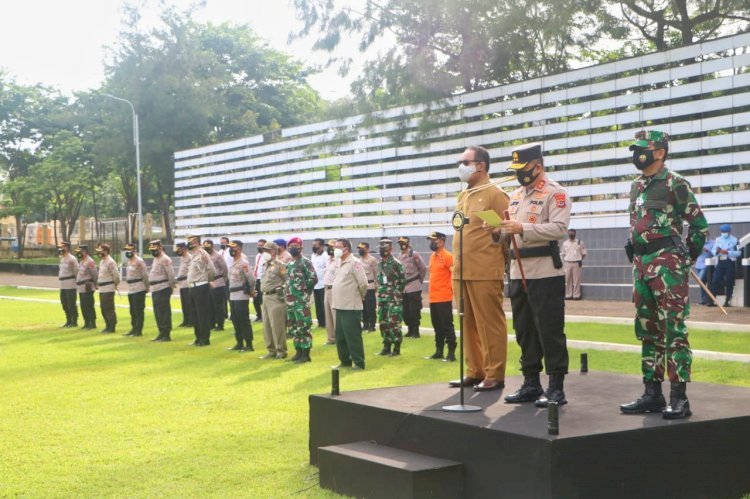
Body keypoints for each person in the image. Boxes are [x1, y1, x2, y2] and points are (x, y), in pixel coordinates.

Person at [619, 130, 708, 420]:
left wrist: (685, 260)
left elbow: (699, 226)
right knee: (647, 328)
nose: (637, 154)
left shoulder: (676, 183)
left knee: (674, 329)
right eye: (635, 149)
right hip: (641, 263)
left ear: (660, 152)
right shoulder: (636, 185)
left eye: (643, 149)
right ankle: (652, 393)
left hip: (668, 264)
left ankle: (679, 398)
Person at [498, 143, 571, 406]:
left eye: (522, 168)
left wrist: (522, 227)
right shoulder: (516, 195)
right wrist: (498, 231)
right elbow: (511, 232)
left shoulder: (555, 193)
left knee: (549, 330)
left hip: (545, 271)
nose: (519, 174)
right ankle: (531, 382)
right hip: (518, 271)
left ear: (537, 166)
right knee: (524, 329)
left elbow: (559, 228)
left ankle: (556, 386)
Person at [448, 145, 509, 392]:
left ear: (480, 165)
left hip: (484, 270)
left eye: (465, 161)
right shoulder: (464, 195)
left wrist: (499, 234)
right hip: (461, 269)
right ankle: (475, 370)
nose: (460, 166)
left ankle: (495, 373)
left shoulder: (495, 194)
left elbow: (506, 232)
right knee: (467, 323)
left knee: (489, 323)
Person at [332, 238, 369, 370]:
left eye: (337, 247)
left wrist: (359, 297)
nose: (334, 249)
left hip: (350, 306)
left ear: (346, 248)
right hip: (339, 305)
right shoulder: (339, 262)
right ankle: (345, 360)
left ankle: (359, 362)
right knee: (340, 337)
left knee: (352, 336)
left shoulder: (354, 263)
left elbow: (363, 284)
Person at [285, 237, 318, 363]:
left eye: (295, 245)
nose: (293, 248)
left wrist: (304, 290)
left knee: (303, 326)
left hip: (301, 301)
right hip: (290, 301)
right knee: (294, 327)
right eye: (291, 245)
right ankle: (298, 352)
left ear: (301, 247)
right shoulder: (289, 263)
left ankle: (306, 354)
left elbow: (313, 278)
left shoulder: (305, 262)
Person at [426, 231, 456, 361]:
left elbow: (454, 276)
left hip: (444, 297)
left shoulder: (448, 256)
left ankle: (451, 353)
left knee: (447, 326)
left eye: (434, 240)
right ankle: (439, 351)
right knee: (437, 326)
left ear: (442, 242)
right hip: (433, 297)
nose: (432, 242)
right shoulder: (433, 256)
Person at [376, 238, 406, 356]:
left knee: (393, 323)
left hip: (393, 299)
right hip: (382, 298)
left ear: (391, 249)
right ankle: (386, 346)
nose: (383, 251)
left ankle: (396, 348)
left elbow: (403, 280)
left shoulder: (396, 263)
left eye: (385, 248)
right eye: (381, 248)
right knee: (383, 323)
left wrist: (396, 294)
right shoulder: (380, 264)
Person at [259, 241, 288, 359]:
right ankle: (271, 350)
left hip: (275, 297)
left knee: (277, 325)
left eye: (267, 250)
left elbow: (288, 279)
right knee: (266, 326)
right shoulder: (265, 264)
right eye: (264, 250)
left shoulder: (279, 265)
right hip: (265, 297)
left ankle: (281, 350)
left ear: (274, 251)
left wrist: (282, 289)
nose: (264, 252)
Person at [186, 235, 216, 347]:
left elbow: (211, 269)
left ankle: (204, 339)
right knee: (195, 315)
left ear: (197, 242)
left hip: (201, 286)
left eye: (191, 241)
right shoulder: (193, 255)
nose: (189, 243)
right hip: (192, 286)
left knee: (202, 314)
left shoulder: (202, 254)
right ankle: (198, 338)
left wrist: (207, 280)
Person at [227, 240, 255, 352]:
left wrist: (251, 290)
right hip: (233, 294)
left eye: (233, 248)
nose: (231, 250)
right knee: (235, 319)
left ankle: (249, 344)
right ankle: (239, 342)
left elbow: (251, 279)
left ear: (238, 249)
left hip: (241, 294)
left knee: (243, 320)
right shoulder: (234, 262)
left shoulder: (243, 262)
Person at [396, 236, 426, 338]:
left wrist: (419, 281)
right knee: (405, 311)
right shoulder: (399, 256)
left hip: (414, 286)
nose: (401, 245)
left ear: (408, 243)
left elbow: (423, 269)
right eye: (400, 243)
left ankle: (415, 332)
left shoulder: (414, 255)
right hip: (404, 288)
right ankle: (409, 330)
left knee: (414, 310)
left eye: (403, 243)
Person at [148, 240, 175, 342]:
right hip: (155, 289)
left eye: (155, 249)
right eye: (152, 250)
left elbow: (171, 275)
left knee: (164, 312)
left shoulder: (165, 259)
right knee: (158, 312)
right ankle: (161, 332)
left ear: (160, 247)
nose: (153, 252)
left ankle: (166, 334)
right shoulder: (156, 259)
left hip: (163, 288)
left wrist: (171, 287)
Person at [710, 224, 741, 307]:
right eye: (722, 232)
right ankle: (713, 300)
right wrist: (718, 252)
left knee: (729, 281)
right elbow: (713, 250)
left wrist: (728, 252)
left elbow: (739, 252)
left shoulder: (735, 240)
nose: (724, 233)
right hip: (720, 262)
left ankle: (727, 301)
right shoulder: (718, 239)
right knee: (715, 280)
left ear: (729, 231)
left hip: (729, 262)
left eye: (725, 232)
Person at [123, 242, 149, 337]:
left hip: (139, 287)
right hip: (131, 288)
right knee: (132, 311)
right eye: (126, 250)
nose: (128, 252)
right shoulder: (129, 261)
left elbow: (145, 275)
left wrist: (147, 287)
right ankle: (133, 328)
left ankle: (138, 330)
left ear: (134, 250)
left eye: (130, 250)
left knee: (138, 310)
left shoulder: (139, 261)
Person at [203, 239, 229, 331]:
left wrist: (223, 279)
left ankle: (220, 324)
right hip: (208, 283)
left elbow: (225, 269)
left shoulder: (218, 256)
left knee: (218, 306)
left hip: (218, 282)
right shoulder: (204, 256)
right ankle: (212, 324)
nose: (207, 250)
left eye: (208, 248)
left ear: (212, 246)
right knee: (210, 305)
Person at [95, 243, 120, 333]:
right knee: (103, 308)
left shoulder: (110, 262)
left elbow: (116, 276)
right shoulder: (102, 261)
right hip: (102, 288)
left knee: (108, 308)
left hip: (108, 287)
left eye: (101, 251)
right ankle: (107, 325)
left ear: (106, 251)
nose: (99, 253)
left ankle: (112, 326)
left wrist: (114, 284)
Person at [74, 245, 98, 330]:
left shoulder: (90, 261)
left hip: (87, 286)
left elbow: (94, 274)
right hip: (81, 287)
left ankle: (92, 323)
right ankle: (87, 322)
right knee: (83, 306)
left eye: (80, 252)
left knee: (89, 305)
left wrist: (96, 284)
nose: (78, 254)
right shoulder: (81, 262)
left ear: (85, 252)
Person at [357, 242, 378, 332]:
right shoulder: (358, 260)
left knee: (370, 307)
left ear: (367, 249)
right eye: (359, 248)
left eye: (363, 248)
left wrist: (377, 284)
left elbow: (376, 273)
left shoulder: (372, 260)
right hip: (361, 286)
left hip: (370, 286)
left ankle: (372, 325)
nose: (360, 250)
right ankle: (365, 324)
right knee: (363, 307)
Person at [57, 241, 79, 328]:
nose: (60, 249)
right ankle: (68, 320)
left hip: (70, 284)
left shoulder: (72, 259)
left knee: (71, 303)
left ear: (66, 247)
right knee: (64, 303)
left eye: (62, 247)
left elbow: (76, 271)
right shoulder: (62, 259)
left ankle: (74, 321)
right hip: (63, 284)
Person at [561, 228, 587, 300]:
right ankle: (568, 295)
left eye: (572, 233)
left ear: (575, 234)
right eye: (570, 233)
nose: (571, 234)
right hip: (568, 263)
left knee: (577, 280)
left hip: (576, 263)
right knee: (568, 279)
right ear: (568, 234)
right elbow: (563, 254)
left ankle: (576, 295)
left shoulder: (579, 242)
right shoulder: (565, 243)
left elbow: (584, 253)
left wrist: (579, 259)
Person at [322, 240, 339, 345]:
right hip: (326, 289)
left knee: (335, 315)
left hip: (334, 289)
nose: (328, 249)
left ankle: (339, 338)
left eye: (331, 247)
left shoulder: (338, 260)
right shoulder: (328, 260)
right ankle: (331, 338)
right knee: (328, 315)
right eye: (327, 246)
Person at [174, 242, 193, 327]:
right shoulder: (182, 258)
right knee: (184, 304)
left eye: (179, 249)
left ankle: (190, 321)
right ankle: (185, 320)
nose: (178, 251)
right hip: (181, 283)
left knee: (188, 303)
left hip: (187, 283)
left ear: (184, 248)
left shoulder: (189, 257)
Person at [310, 238, 328, 328]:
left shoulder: (326, 256)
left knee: (323, 305)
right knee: (317, 305)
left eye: (315, 245)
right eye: (313, 245)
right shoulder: (313, 255)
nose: (313, 247)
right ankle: (320, 323)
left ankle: (326, 322)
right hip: (315, 284)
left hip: (323, 284)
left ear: (321, 246)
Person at [695, 238, 714, 305]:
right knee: (702, 283)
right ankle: (703, 299)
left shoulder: (712, 242)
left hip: (706, 265)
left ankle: (707, 298)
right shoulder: (698, 242)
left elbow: (714, 253)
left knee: (700, 280)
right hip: (698, 264)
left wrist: (707, 250)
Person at [252, 239, 267, 322]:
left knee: (262, 299)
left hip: (263, 279)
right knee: (255, 299)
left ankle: (264, 316)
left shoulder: (267, 256)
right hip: (256, 279)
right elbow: (256, 266)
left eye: (261, 245)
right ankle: (259, 315)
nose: (259, 247)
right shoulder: (258, 255)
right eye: (258, 245)